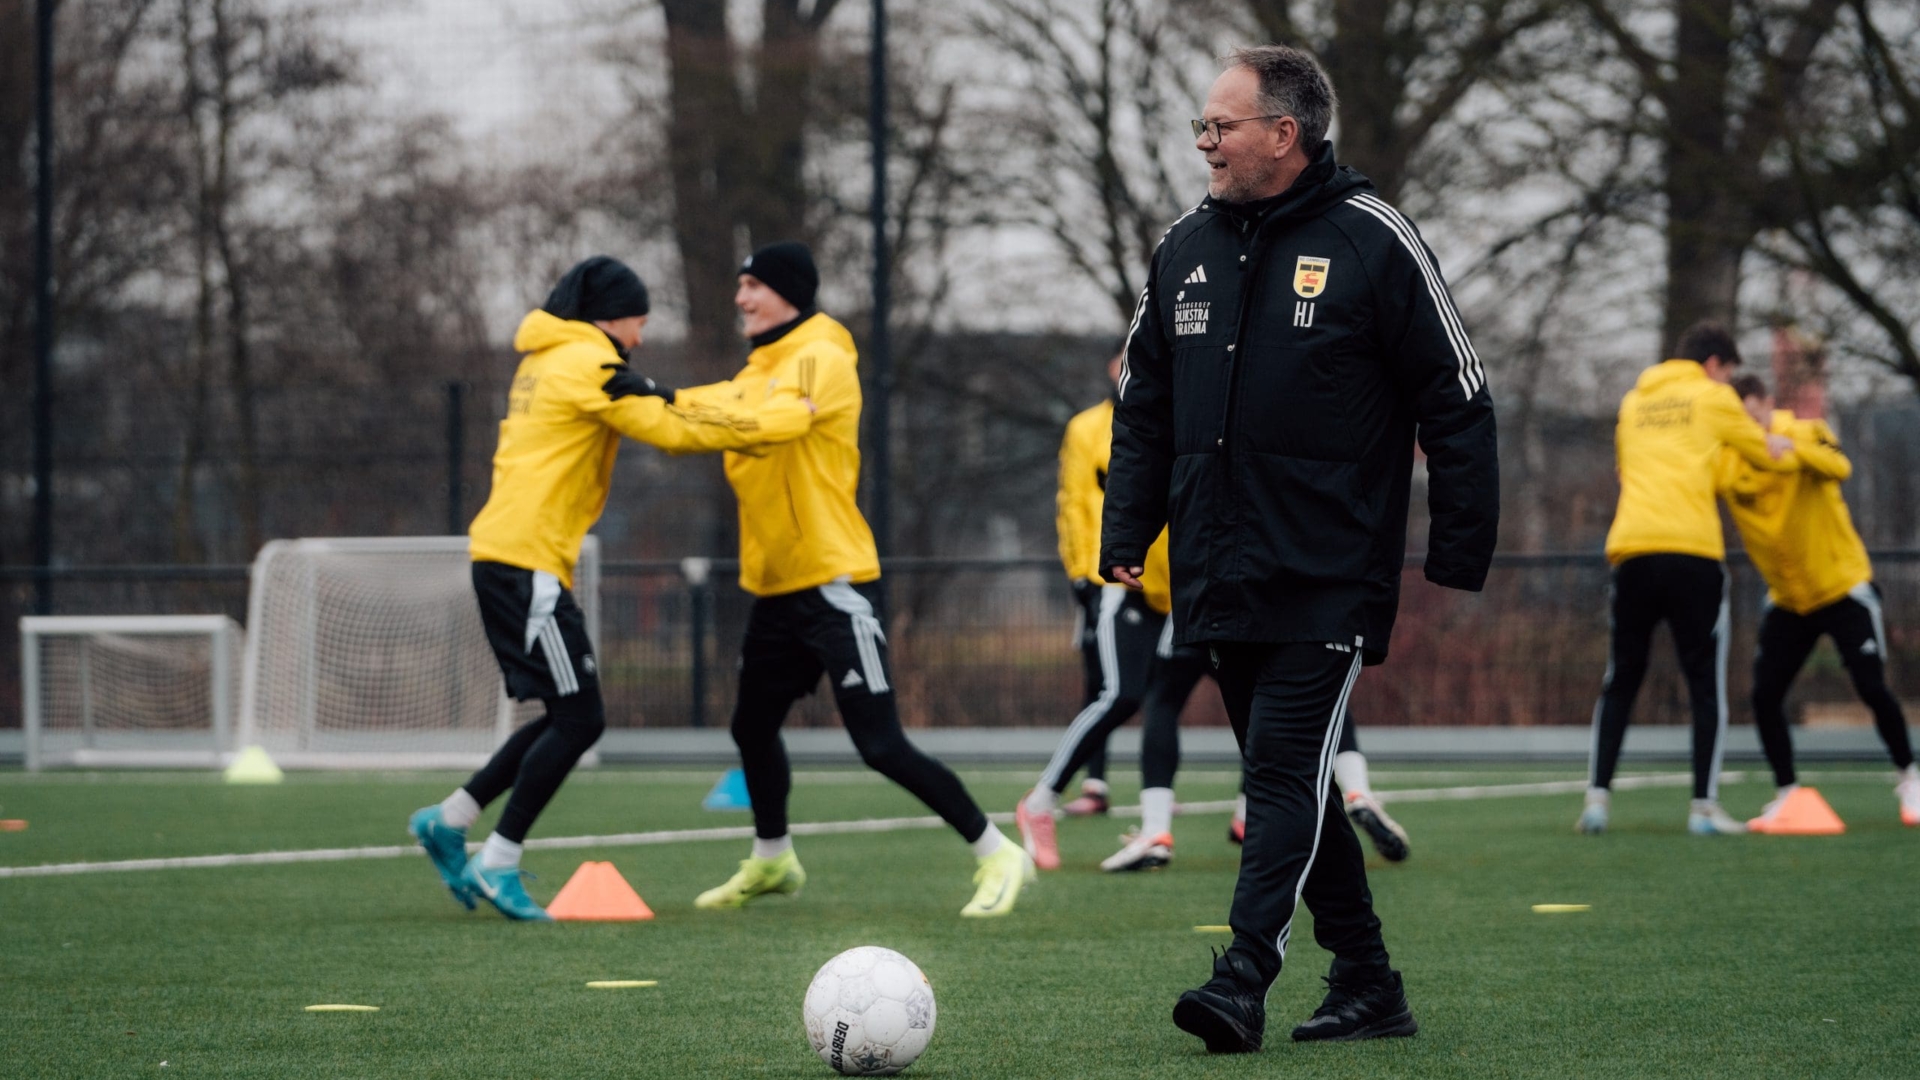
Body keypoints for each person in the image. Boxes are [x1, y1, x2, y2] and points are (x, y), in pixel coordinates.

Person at [1101, 46, 1498, 1052]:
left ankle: (1244, 976)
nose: (1205, 142)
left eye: (1220, 126)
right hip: (1217, 566)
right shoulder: (1182, 245)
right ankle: (1369, 981)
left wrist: (1456, 553)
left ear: (1284, 134)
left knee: (1278, 772)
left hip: (1329, 573)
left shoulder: (1374, 238)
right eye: (1202, 125)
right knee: (1299, 782)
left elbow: (1458, 398)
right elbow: (1142, 401)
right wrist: (1127, 532)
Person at [408, 256, 812, 921]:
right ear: (608, 317)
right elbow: (670, 429)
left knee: (561, 712)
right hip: (525, 560)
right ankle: (498, 859)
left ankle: (450, 822)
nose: (641, 338)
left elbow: (655, 404)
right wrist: (779, 421)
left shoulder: (549, 357)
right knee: (581, 717)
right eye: (638, 321)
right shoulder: (584, 363)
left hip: (513, 556)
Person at [669, 241, 1033, 918]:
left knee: (880, 744)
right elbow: (699, 413)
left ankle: (998, 852)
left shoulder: (824, 358)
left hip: (835, 584)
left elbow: (772, 423)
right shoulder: (757, 370)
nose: (741, 298)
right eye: (739, 285)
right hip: (777, 588)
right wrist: (631, 398)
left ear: (791, 293)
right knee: (751, 727)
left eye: (754, 285)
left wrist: (674, 405)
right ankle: (773, 859)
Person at [1579, 322, 1798, 837]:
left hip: (1632, 549)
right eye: (1729, 374)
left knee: (1622, 678)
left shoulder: (1634, 403)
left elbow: (1623, 472)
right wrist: (1789, 441)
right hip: (1691, 552)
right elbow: (1762, 449)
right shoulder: (1713, 397)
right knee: (1704, 685)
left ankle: (1596, 801)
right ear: (1716, 365)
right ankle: (1703, 808)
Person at [1719, 375, 1920, 827]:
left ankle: (1911, 778)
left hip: (1842, 586)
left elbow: (1839, 467)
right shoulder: (1730, 461)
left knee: (1871, 686)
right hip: (1789, 599)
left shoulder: (1805, 432)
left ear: (1768, 404)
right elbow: (1695, 476)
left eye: (1753, 413)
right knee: (1765, 695)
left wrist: (1789, 450)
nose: (1749, 426)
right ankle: (1787, 792)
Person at [1015, 351, 1176, 869]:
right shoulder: (1088, 427)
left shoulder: (1178, 417)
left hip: (1182, 587)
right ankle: (1041, 802)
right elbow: (1076, 503)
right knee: (1120, 694)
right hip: (1119, 583)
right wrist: (1085, 574)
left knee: (1246, 692)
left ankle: (1251, 818)